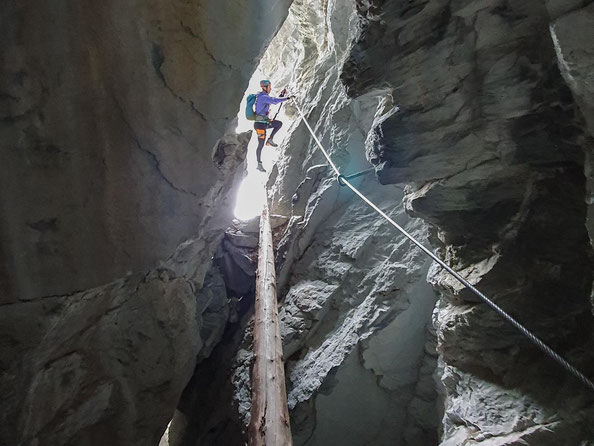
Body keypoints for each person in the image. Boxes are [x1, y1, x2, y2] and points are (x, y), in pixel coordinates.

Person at [253, 80, 292, 172]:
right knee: (261, 144)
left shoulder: (264, 97)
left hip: (264, 124)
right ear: (265, 87)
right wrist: (287, 98)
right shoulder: (262, 97)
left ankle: (270, 139)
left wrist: (282, 96)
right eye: (269, 87)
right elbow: (274, 101)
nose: (270, 89)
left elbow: (273, 100)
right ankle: (259, 163)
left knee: (278, 124)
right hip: (260, 126)